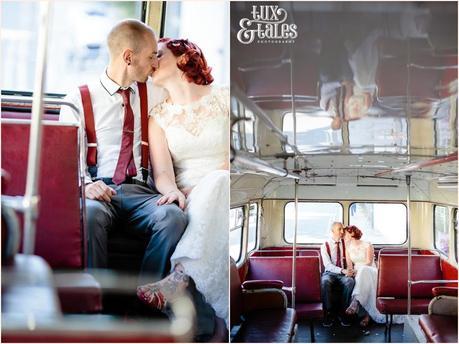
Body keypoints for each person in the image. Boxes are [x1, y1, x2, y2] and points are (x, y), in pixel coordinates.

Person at [59, 20, 187, 280]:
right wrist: (85, 184)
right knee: (90, 215)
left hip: (142, 192)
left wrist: (172, 187)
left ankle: (147, 298)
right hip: (100, 188)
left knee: (173, 218)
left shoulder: (157, 92)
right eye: (151, 56)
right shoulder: (77, 100)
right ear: (129, 57)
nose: (155, 63)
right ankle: (94, 302)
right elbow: (67, 159)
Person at [135, 38, 229, 328]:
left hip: (224, 182)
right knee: (211, 187)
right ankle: (212, 322)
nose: (151, 60)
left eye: (157, 54)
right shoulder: (158, 117)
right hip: (188, 194)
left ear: (183, 57)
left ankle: (179, 275)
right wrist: (173, 191)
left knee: (220, 180)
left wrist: (209, 182)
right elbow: (163, 173)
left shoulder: (226, 98)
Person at [344, 225, 404, 327]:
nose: (344, 236)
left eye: (345, 234)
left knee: (364, 271)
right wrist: (352, 272)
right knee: (361, 277)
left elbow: (368, 262)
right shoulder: (348, 248)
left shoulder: (368, 245)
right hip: (358, 272)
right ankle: (365, 313)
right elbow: (349, 265)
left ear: (352, 234)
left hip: (371, 270)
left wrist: (358, 271)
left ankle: (355, 302)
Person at [320, 222, 355, 327]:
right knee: (325, 282)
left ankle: (343, 311)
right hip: (330, 273)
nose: (342, 232)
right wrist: (342, 271)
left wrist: (349, 270)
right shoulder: (325, 245)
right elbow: (327, 265)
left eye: (342, 229)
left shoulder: (346, 243)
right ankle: (328, 312)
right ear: (332, 231)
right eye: (339, 229)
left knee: (350, 281)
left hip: (343, 273)